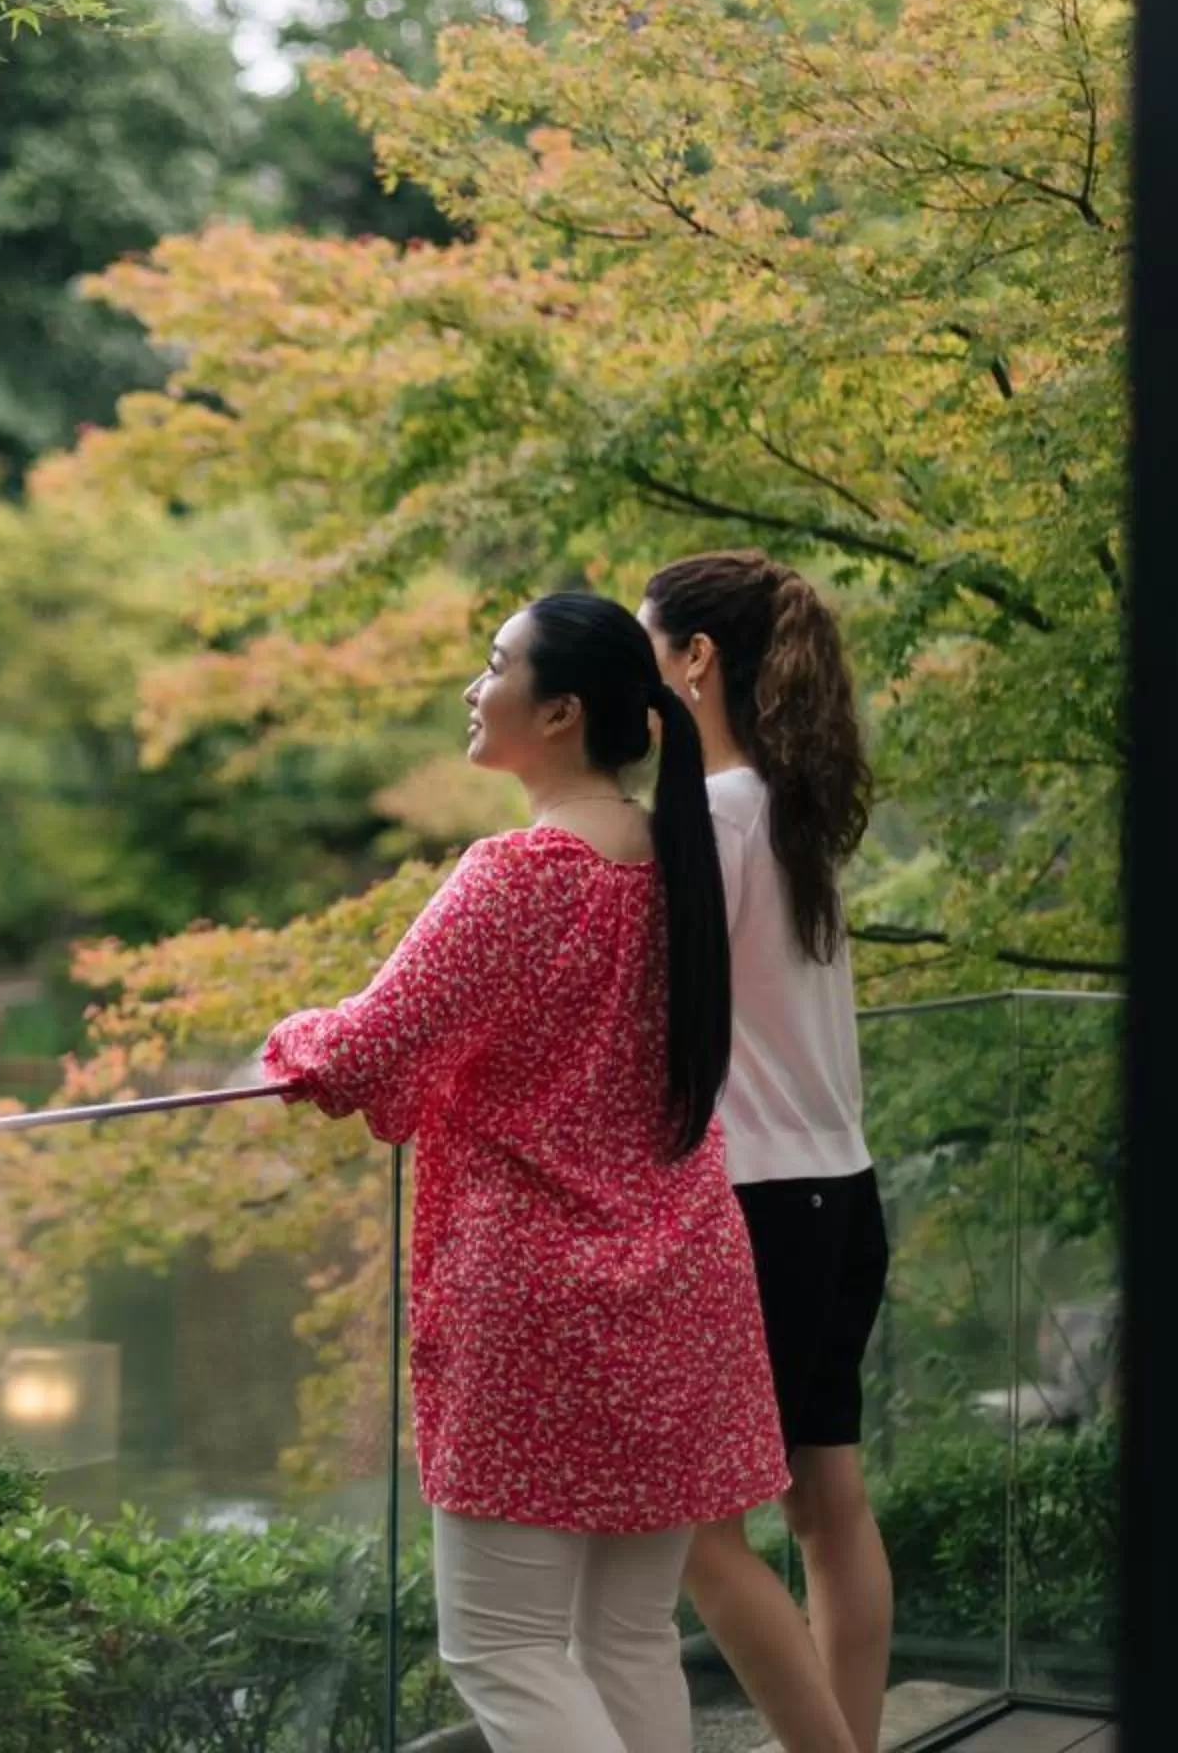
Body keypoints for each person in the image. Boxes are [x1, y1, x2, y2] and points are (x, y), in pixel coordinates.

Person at [263, 592, 786, 1753]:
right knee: (629, 1635)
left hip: (538, 1314)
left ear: (558, 712)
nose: (472, 684)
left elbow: (363, 1052)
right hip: (679, 1287)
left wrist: (290, 1034)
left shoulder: (519, 875)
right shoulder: (677, 867)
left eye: (493, 664)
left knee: (499, 1644)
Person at [641, 552, 888, 1753]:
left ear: (696, 660)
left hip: (759, 1196)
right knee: (830, 1506)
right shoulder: (793, 810)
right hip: (843, 1186)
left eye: (649, 648)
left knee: (698, 1530)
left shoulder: (717, 814)